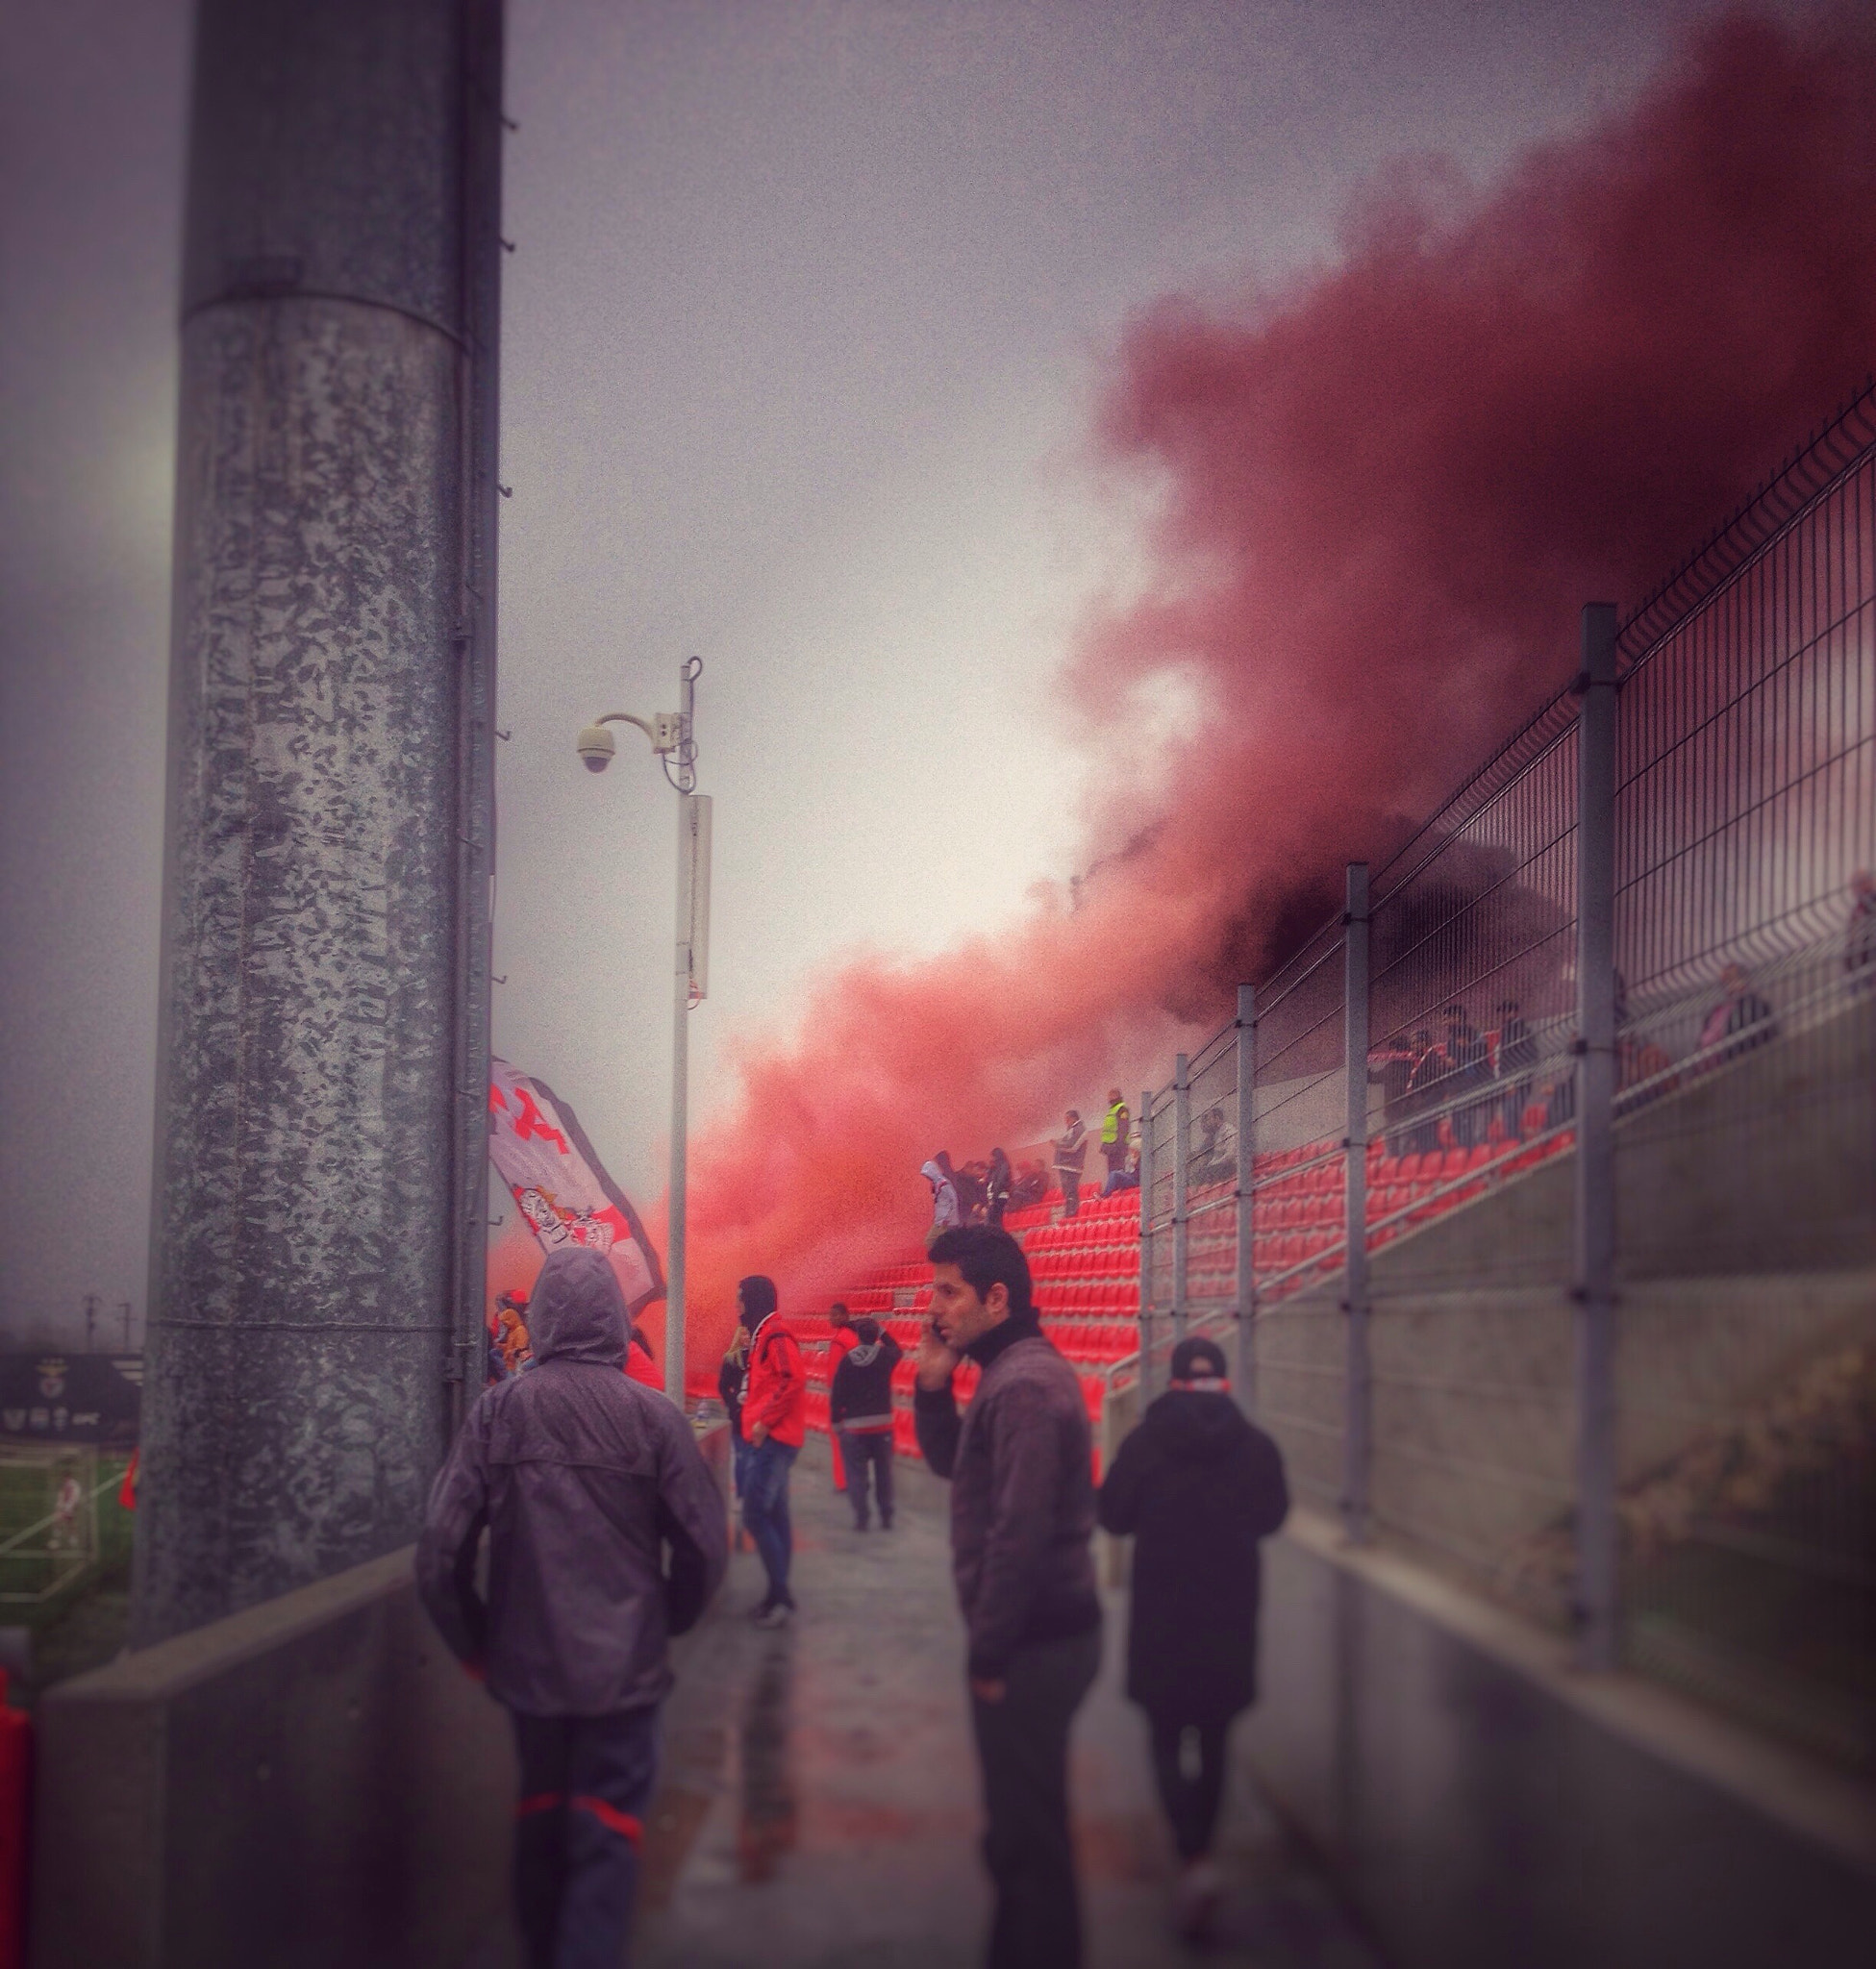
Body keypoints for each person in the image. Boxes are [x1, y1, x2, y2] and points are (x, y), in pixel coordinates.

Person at [416, 1245, 728, 1969]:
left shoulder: (498, 1411)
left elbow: (439, 1553)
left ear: (544, 1316)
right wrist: (665, 1622)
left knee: (541, 1825)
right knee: (606, 1837)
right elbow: (704, 1550)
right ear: (616, 1320)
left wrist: (476, 1646)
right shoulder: (655, 1418)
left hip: (528, 1672)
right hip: (625, 1678)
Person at [914, 1226, 1102, 1969]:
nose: (935, 1310)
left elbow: (1016, 1538)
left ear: (998, 1298)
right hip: (1036, 1637)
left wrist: (988, 1654)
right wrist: (933, 1385)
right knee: (1017, 1836)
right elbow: (956, 1467)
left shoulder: (1023, 1385)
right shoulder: (1008, 1371)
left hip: (1033, 1644)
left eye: (948, 1292)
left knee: (1027, 1846)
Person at [1096, 1336, 1288, 1941]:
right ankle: (1202, 1854)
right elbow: (1272, 1517)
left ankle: (1189, 1855)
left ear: (1175, 1380)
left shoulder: (1147, 1441)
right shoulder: (1255, 1445)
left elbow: (1114, 1516)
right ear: (1223, 1380)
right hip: (1228, 1610)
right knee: (1214, 1734)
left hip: (1163, 1610)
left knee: (1162, 1730)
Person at [738, 1274, 806, 1628]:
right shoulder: (765, 1333)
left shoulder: (775, 1334)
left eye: (741, 1298)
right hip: (774, 1438)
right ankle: (777, 1596)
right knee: (776, 1516)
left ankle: (781, 1597)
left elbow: (792, 1378)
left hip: (773, 1440)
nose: (737, 1306)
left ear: (754, 1299)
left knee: (755, 1516)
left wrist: (763, 1422)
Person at [830, 1313, 902, 1531]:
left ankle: (862, 1518)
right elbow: (898, 1350)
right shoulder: (885, 1356)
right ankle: (886, 1515)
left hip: (855, 1427)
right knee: (884, 1473)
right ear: (875, 1336)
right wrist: (883, 1332)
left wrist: (836, 1422)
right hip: (882, 1425)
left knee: (856, 1474)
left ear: (858, 1336)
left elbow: (838, 1394)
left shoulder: (847, 1361)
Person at [1697, 962, 1778, 1066]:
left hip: (1742, 1064)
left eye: (1730, 979)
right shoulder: (1718, 1009)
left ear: (1743, 979)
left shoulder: (1754, 1005)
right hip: (1715, 1066)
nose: (1727, 985)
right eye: (1725, 981)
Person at [718, 1322, 753, 1545]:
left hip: (756, 1415)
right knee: (741, 1457)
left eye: (749, 1333)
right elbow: (723, 1387)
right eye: (743, 1333)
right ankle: (741, 1495)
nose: (746, 1337)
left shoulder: (760, 1355)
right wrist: (734, 1402)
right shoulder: (731, 1360)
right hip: (739, 1415)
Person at [1492, 999, 1536, 1142]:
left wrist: (1514, 1082)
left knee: (1511, 1114)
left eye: (1504, 1013)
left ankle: (1517, 1145)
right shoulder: (1507, 1031)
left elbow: (1528, 1057)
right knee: (1509, 1116)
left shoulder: (1521, 1030)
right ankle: (1515, 1145)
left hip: (1518, 1082)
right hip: (1509, 1082)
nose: (1502, 1017)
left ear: (1513, 1012)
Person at [1053, 1109, 1088, 1218]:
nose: (1066, 1121)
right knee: (1067, 1190)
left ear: (1074, 1118)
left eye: (1067, 1119)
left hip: (1072, 1166)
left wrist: (1058, 1145)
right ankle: (1069, 1211)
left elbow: (1072, 1146)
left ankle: (1072, 1212)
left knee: (1071, 1189)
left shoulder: (1079, 1130)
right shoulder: (1071, 1130)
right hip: (1065, 1165)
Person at [923, 1155, 962, 1250]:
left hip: (945, 1220)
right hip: (942, 1219)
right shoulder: (937, 1183)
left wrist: (948, 1217)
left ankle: (943, 1258)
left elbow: (953, 1200)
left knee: (930, 1240)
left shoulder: (943, 1184)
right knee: (945, 1241)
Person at [1847, 870, 1876, 994]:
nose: (1855, 889)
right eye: (1854, 885)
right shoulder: (1861, 904)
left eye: (1859, 884)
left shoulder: (1870, 900)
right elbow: (1853, 926)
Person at [1099, 1089, 1131, 1196]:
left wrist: (1118, 1145)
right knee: (1111, 1171)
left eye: (1110, 1095)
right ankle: (1113, 1191)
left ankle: (1116, 1192)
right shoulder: (1112, 1110)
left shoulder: (1122, 1109)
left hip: (1117, 1147)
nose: (1108, 1098)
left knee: (1117, 1171)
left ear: (1115, 1095)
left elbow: (1123, 1127)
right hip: (1110, 1147)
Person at [985, 1147, 1013, 1231]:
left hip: (999, 1196)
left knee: (994, 1220)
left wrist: (994, 1196)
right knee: (995, 1220)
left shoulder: (1003, 1166)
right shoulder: (998, 1167)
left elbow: (1000, 1182)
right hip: (997, 1196)